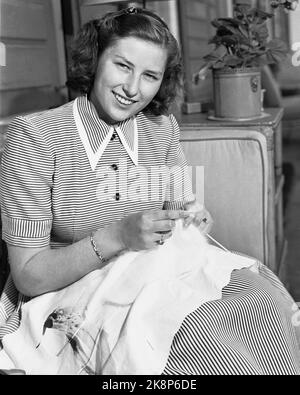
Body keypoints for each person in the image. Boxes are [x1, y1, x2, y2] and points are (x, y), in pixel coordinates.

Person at [0, 7, 299, 375]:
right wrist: (117, 236)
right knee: (204, 341)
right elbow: (29, 273)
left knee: (261, 297)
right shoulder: (35, 138)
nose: (132, 89)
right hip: (68, 294)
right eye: (122, 66)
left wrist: (192, 216)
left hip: (154, 276)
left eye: (150, 76)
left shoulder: (162, 129)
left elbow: (180, 209)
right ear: (94, 60)